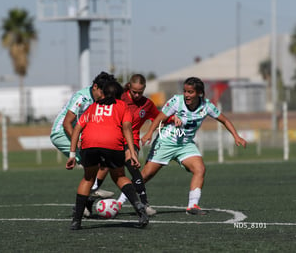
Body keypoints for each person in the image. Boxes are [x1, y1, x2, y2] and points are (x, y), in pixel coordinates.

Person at [141, 76, 247, 215]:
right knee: (146, 175)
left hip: (185, 145)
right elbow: (160, 118)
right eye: (185, 91)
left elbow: (224, 120)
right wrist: (149, 133)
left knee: (200, 169)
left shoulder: (206, 106)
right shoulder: (176, 101)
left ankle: (192, 206)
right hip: (166, 142)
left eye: (190, 92)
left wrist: (236, 136)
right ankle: (119, 201)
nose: (186, 95)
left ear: (199, 93)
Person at [66, 81, 148, 230]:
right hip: (112, 144)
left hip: (89, 144)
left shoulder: (93, 107)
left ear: (103, 93)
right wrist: (132, 152)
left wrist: (72, 154)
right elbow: (127, 128)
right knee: (119, 176)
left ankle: (76, 221)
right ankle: (140, 209)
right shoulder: (122, 106)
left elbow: (77, 128)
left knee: (88, 178)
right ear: (119, 95)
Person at [50, 71, 116, 204]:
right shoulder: (82, 98)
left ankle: (89, 195)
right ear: (95, 87)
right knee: (94, 162)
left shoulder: (99, 99)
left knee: (104, 159)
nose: (103, 96)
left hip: (78, 133)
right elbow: (67, 123)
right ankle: (89, 194)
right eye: (102, 93)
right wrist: (79, 142)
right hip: (61, 133)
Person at [114, 74, 160, 216]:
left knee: (133, 167)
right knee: (103, 170)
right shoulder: (119, 98)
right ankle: (87, 205)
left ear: (144, 88)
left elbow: (159, 117)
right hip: (113, 139)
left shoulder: (147, 104)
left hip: (132, 140)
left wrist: (173, 118)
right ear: (129, 86)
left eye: (140, 92)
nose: (137, 95)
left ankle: (144, 204)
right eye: (134, 92)